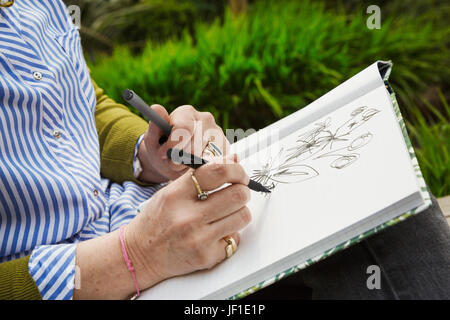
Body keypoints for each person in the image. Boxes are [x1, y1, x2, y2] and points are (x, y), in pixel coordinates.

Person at [1, 1, 449, 300]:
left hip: (132, 216)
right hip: (82, 278)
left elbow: (81, 105)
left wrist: (147, 151)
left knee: (382, 207)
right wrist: (132, 258)